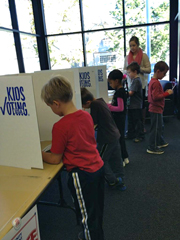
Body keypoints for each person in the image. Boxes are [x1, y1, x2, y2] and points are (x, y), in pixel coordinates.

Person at [41, 76, 105, 240]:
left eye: (50, 106)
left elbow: (55, 159)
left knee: (86, 216)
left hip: (81, 174)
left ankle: (90, 236)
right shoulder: (86, 116)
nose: (52, 110)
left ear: (56, 103)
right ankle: (90, 234)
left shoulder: (60, 126)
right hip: (97, 168)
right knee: (95, 212)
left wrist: (38, 154)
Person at [81, 87, 126, 190]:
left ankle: (112, 181)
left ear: (88, 102)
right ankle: (121, 180)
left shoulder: (95, 105)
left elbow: (93, 123)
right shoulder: (100, 101)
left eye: (84, 106)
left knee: (99, 161)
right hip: (114, 134)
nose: (84, 108)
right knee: (116, 159)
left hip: (107, 138)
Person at [124, 36, 151, 131]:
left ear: (138, 45)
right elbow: (124, 70)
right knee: (132, 107)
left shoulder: (144, 56)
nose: (132, 47)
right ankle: (133, 128)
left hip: (141, 84)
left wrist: (138, 69)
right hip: (131, 84)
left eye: (134, 45)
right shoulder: (127, 57)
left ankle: (141, 126)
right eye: (130, 45)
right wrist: (128, 72)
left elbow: (149, 70)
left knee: (141, 106)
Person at [147, 61, 173, 154]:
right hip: (156, 109)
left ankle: (159, 141)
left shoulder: (153, 81)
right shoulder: (156, 83)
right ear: (158, 71)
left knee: (159, 127)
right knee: (156, 128)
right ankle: (152, 147)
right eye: (164, 73)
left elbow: (156, 94)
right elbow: (155, 97)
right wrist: (167, 93)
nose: (164, 76)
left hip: (156, 108)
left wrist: (163, 93)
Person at [107, 69, 130, 167]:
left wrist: (109, 107)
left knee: (118, 139)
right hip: (120, 118)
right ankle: (125, 157)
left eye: (111, 83)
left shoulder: (120, 92)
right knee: (120, 139)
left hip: (119, 119)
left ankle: (122, 159)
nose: (110, 85)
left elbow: (120, 108)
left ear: (116, 81)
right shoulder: (121, 91)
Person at [126, 61, 144, 142]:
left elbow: (131, 93)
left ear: (135, 72)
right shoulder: (134, 80)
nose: (128, 74)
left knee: (137, 121)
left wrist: (123, 94)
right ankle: (131, 134)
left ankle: (140, 135)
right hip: (132, 105)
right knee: (131, 121)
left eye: (129, 72)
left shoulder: (136, 80)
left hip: (136, 105)